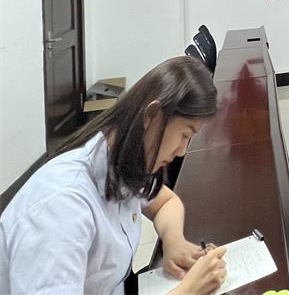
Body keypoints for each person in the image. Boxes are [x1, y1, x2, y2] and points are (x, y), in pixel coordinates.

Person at [0, 56, 228, 294]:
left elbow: (165, 203)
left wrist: (174, 242)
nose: (182, 150)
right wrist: (188, 290)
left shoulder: (121, 163)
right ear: (152, 116)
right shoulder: (61, 207)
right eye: (185, 134)